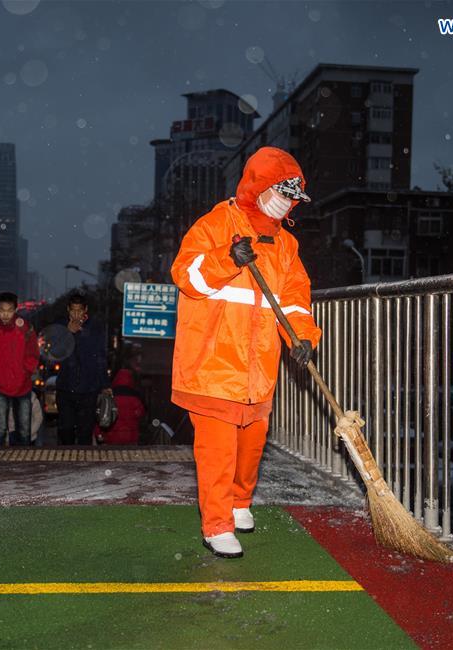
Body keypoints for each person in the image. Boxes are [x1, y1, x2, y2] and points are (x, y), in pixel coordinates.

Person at [170, 146, 322, 559]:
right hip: (212, 364)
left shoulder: (286, 245)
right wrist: (226, 258)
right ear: (259, 186)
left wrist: (302, 337)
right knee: (218, 451)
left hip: (257, 368)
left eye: (292, 198)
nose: (286, 203)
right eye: (281, 192)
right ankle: (216, 525)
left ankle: (238, 504)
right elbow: (186, 276)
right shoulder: (217, 224)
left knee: (251, 446)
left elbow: (293, 299)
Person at [0, 291, 40, 446]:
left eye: (9, 310)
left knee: (24, 430)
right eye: (2, 310)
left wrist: (26, 372)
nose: (5, 315)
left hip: (23, 386)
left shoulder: (26, 327)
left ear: (16, 310)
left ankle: (22, 465)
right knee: (0, 428)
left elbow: (33, 353)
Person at [55, 293, 111, 445]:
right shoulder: (60, 326)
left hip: (89, 389)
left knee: (85, 432)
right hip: (65, 388)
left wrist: (105, 384)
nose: (76, 314)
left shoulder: (95, 328)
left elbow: (100, 357)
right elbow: (53, 352)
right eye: (73, 311)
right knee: (65, 430)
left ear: (85, 310)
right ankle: (67, 463)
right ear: (68, 310)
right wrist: (68, 332)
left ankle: (82, 465)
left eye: (79, 310)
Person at [94, 368, 145, 445]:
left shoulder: (109, 397)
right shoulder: (135, 397)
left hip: (111, 437)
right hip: (130, 438)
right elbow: (140, 414)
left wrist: (98, 433)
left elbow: (101, 416)